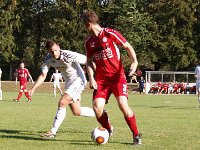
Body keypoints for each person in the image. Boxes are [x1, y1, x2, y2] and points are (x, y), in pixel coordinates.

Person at [82, 10, 141, 145]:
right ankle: (108, 129)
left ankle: (136, 134)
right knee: (97, 108)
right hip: (101, 81)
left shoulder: (109, 33)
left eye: (84, 25)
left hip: (117, 77)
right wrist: (91, 78)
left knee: (123, 105)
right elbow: (89, 61)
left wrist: (135, 62)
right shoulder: (89, 42)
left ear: (88, 24)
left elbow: (127, 46)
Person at [28, 40, 95, 138]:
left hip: (79, 80)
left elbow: (89, 61)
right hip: (68, 83)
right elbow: (43, 75)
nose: (54, 53)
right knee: (77, 111)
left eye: (55, 50)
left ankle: (53, 131)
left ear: (58, 47)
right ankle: (100, 113)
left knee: (62, 102)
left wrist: (94, 77)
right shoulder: (48, 59)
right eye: (51, 51)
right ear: (48, 51)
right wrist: (33, 88)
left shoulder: (69, 55)